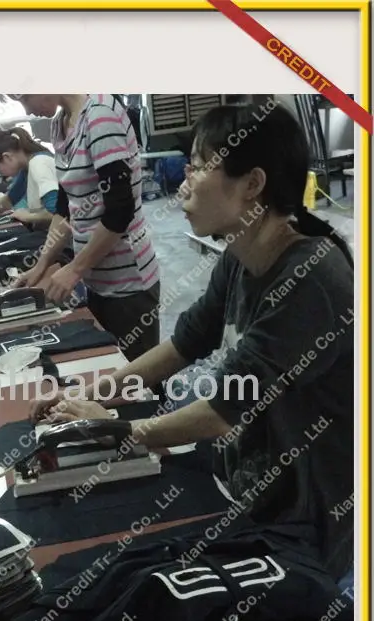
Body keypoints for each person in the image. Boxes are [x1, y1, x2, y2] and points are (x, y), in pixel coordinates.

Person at [31, 102, 354, 581]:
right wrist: (86, 395)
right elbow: (184, 344)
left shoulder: (310, 277)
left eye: (200, 166)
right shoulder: (241, 256)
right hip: (245, 480)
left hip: (301, 518)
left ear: (253, 184)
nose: (184, 181)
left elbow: (224, 410)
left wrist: (116, 430)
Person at [10, 94, 161, 362]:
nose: (28, 111)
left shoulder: (100, 116)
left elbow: (120, 211)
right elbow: (65, 206)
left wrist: (74, 269)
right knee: (107, 368)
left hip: (127, 284)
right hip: (95, 279)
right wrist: (41, 264)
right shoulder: (59, 124)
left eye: (24, 98)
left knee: (138, 378)